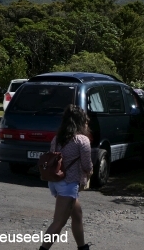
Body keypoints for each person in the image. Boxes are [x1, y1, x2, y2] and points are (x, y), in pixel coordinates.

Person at [40, 104, 93, 250]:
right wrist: (90, 174)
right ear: (80, 122)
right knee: (58, 223)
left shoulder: (57, 139)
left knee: (77, 215)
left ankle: (83, 247)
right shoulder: (82, 140)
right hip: (68, 184)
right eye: (86, 121)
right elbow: (87, 165)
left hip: (56, 182)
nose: (87, 124)